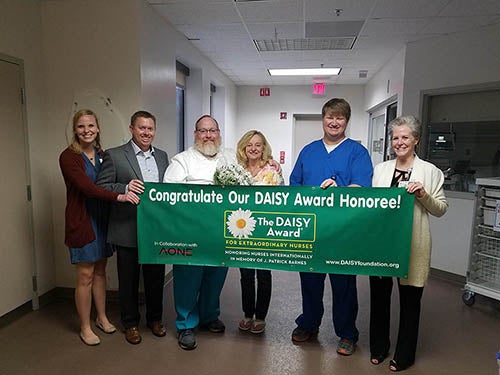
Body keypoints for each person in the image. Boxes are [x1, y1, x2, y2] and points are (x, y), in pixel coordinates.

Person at [289, 98, 373, 356]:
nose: (334, 122)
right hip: (312, 229)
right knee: (310, 280)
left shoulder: (357, 153)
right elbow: (295, 186)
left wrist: (341, 191)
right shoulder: (308, 151)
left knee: (343, 284)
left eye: (340, 118)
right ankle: (309, 324)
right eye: (330, 117)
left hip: (342, 230)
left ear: (346, 121)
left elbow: (362, 187)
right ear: (322, 119)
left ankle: (347, 334)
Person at [369, 115, 448, 372]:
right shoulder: (380, 170)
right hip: (382, 245)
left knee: (410, 303)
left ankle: (405, 355)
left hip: (414, 245)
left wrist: (423, 195)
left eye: (405, 137)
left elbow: (440, 209)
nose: (399, 142)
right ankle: (379, 347)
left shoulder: (430, 172)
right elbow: (370, 205)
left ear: (416, 139)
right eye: (395, 138)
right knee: (379, 300)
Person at [59, 109, 140, 346]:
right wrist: (122, 194)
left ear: (98, 128)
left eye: (91, 126)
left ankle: (102, 318)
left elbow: (108, 182)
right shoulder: (69, 157)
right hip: (83, 220)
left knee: (101, 271)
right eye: (82, 126)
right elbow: (88, 188)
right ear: (75, 130)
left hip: (104, 219)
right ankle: (85, 326)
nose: (87, 131)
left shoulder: (103, 155)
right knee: (85, 275)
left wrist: (123, 187)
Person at [96, 110, 169, 345]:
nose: (146, 133)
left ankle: (155, 319)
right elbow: (103, 186)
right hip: (127, 226)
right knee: (128, 280)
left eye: (150, 129)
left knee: (155, 278)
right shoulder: (115, 155)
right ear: (131, 129)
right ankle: (130, 324)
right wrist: (125, 188)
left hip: (155, 229)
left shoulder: (163, 156)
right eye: (141, 128)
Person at [163, 115, 233, 350]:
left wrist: (271, 164)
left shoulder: (230, 158)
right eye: (203, 131)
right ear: (195, 134)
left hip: (220, 232)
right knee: (187, 280)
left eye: (212, 131)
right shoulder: (182, 161)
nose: (208, 135)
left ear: (219, 133)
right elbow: (170, 197)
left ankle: (209, 316)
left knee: (216, 276)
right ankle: (185, 325)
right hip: (189, 233)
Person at [235, 130, 283, 334]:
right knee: (245, 275)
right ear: (243, 148)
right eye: (249, 145)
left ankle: (260, 316)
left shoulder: (272, 170)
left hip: (264, 230)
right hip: (243, 229)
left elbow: (281, 199)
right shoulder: (236, 170)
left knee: (263, 274)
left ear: (264, 148)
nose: (253, 148)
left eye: (258, 144)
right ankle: (247, 313)